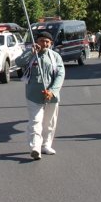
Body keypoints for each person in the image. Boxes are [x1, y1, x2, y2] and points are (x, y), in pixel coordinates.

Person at [15, 32, 65, 160]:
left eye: (48, 41)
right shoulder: (31, 55)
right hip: (34, 95)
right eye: (42, 41)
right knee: (35, 121)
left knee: (49, 122)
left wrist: (52, 91)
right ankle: (35, 148)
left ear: (51, 43)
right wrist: (30, 52)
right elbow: (19, 62)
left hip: (51, 96)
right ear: (37, 41)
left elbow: (60, 75)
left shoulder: (55, 56)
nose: (45, 44)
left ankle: (46, 145)